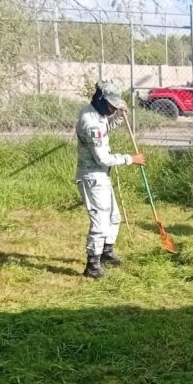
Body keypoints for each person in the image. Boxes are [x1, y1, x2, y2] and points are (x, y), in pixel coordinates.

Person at [75, 80, 146, 279]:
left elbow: (106, 128)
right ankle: (92, 265)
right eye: (112, 106)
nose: (114, 109)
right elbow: (103, 158)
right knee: (100, 221)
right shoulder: (90, 123)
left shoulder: (96, 113)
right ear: (100, 99)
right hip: (92, 177)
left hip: (102, 175)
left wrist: (119, 117)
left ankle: (106, 253)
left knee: (114, 217)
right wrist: (130, 159)